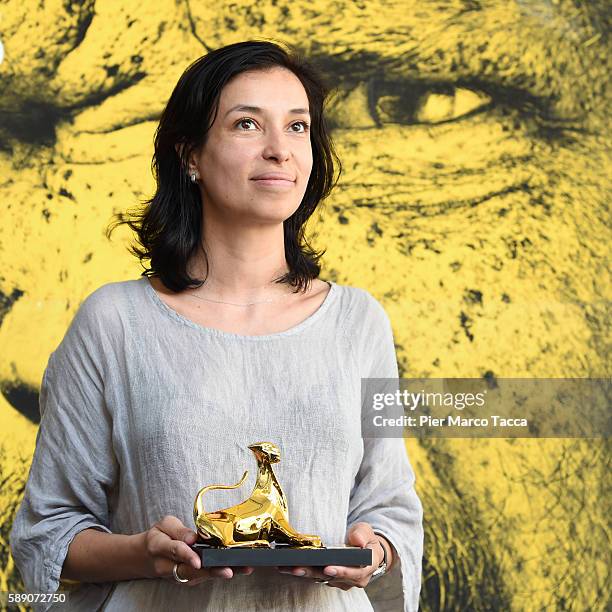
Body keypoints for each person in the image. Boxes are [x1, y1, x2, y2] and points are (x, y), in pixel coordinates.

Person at [9, 40, 423, 611]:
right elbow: (48, 530)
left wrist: (368, 552)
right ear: (190, 156)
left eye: (298, 127)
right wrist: (146, 552)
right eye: (248, 124)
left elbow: (389, 511)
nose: (280, 150)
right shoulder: (114, 323)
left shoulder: (358, 322)